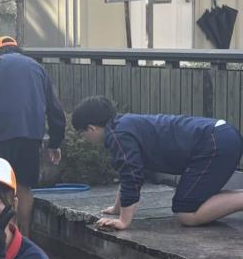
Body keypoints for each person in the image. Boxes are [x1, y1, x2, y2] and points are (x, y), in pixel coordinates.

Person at [72, 96, 243, 230]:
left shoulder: (118, 135)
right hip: (219, 136)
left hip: (215, 143)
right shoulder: (121, 126)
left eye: (82, 134)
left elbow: (132, 175)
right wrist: (117, 209)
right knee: (188, 203)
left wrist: (124, 221)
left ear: (91, 128)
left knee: (186, 212)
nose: (84, 139)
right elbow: (128, 172)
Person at [0, 36, 66, 236]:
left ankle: (6, 234)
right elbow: (54, 107)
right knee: (24, 186)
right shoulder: (37, 67)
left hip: (4, 133)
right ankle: (23, 235)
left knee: (3, 185)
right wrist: (55, 142)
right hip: (31, 135)